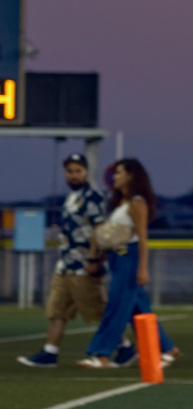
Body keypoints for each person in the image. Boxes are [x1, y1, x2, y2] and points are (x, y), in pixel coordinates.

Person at [17, 154, 134, 368]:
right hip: (66, 263)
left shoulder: (93, 197)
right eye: (70, 171)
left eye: (78, 171)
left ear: (86, 172)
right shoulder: (71, 198)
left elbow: (99, 230)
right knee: (56, 309)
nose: (74, 175)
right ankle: (50, 351)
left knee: (96, 310)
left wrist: (94, 258)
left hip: (83, 265)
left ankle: (125, 345)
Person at [76, 158, 181, 368]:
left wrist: (142, 268)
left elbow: (142, 237)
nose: (115, 177)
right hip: (117, 257)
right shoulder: (120, 203)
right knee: (139, 309)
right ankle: (167, 348)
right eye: (115, 173)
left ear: (131, 176)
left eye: (120, 173)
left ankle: (101, 354)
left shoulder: (137, 202)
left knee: (116, 307)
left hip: (129, 258)